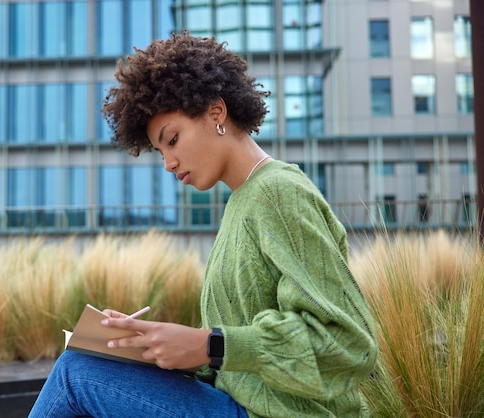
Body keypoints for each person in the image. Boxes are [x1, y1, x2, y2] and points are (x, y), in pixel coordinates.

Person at [29, 31, 377, 418]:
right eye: (160, 151)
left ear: (216, 111)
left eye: (173, 140)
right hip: (243, 404)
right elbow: (244, 359)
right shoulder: (240, 204)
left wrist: (209, 345)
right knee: (89, 366)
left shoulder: (278, 193)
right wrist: (159, 348)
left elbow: (348, 344)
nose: (168, 163)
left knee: (76, 374)